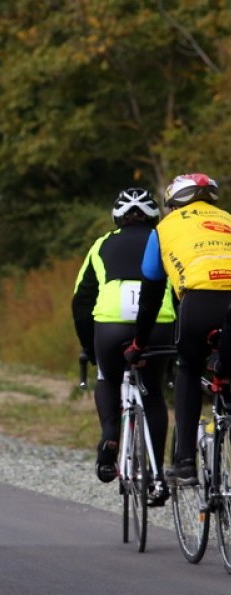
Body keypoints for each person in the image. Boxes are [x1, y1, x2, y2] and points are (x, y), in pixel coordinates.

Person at [125, 173, 231, 486]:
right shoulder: (227, 219)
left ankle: (185, 463)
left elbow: (151, 297)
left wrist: (139, 343)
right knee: (225, 373)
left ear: (173, 202)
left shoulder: (164, 229)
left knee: (188, 368)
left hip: (199, 303)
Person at [72, 188, 176, 505]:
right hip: (159, 323)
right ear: (154, 216)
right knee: (153, 393)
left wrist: (88, 347)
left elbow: (80, 301)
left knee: (107, 377)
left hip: (110, 324)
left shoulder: (101, 244)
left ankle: (109, 437)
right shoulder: (166, 241)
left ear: (117, 217)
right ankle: (157, 475)